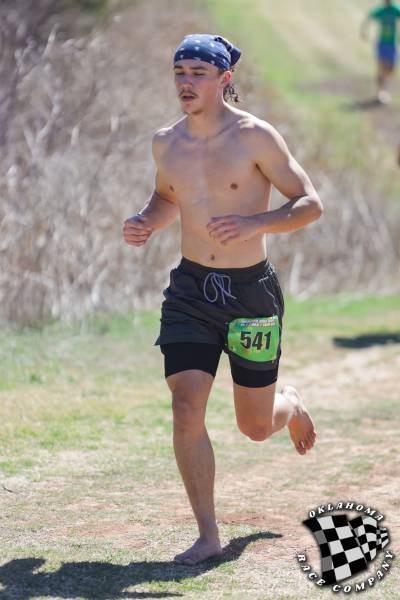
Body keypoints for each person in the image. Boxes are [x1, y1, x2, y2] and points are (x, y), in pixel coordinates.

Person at [123, 33, 323, 566]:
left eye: (197, 73)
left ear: (224, 79)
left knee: (254, 427)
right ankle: (208, 535)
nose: (185, 82)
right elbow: (167, 197)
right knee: (186, 406)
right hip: (191, 291)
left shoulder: (256, 136)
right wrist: (146, 220)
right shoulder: (166, 142)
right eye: (179, 72)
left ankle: (289, 403)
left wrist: (256, 222)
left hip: (250, 293)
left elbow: (309, 204)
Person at [361, 0, 400, 104]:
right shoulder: (381, 11)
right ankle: (381, 92)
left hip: (392, 43)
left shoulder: (396, 10)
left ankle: (384, 84)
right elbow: (369, 17)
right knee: (381, 67)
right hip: (382, 43)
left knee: (391, 68)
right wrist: (364, 31)